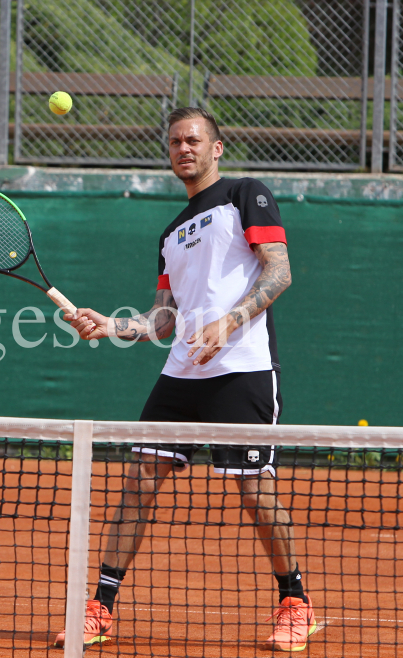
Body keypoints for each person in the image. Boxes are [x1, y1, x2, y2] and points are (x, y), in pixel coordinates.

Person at [57, 107, 316, 653]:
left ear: (216, 147)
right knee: (140, 481)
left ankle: (295, 602)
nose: (184, 149)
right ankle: (101, 607)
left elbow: (280, 271)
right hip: (181, 372)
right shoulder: (170, 233)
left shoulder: (247, 194)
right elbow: (164, 319)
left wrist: (231, 320)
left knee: (254, 490)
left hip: (242, 368)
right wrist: (111, 325)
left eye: (194, 140)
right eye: (175, 142)